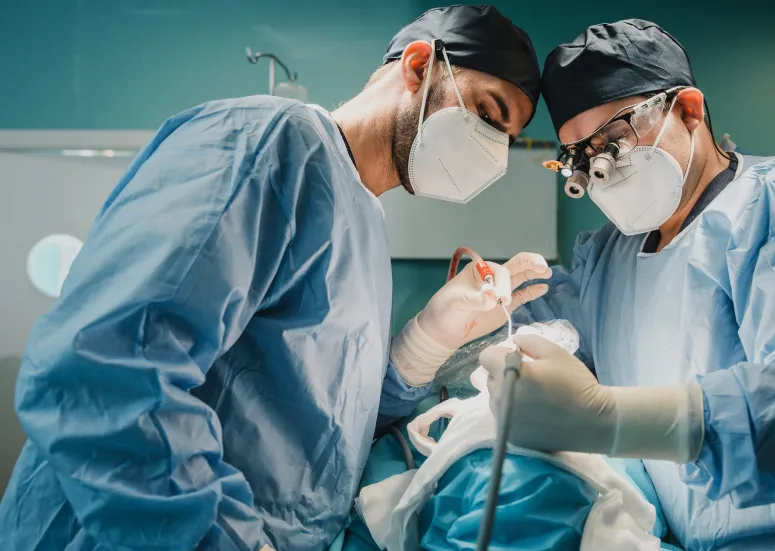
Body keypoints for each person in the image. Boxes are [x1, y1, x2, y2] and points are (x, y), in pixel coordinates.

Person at [0, 5, 552, 551]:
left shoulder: (363, 222)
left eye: (504, 136)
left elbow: (316, 433)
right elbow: (103, 368)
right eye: (486, 111)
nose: (491, 149)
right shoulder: (271, 148)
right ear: (416, 66)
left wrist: (427, 340)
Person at [480, 19, 775, 551]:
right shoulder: (611, 257)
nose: (599, 171)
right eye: (581, 158)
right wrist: (462, 324)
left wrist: (609, 419)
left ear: (689, 110)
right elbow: (544, 328)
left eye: (613, 141)